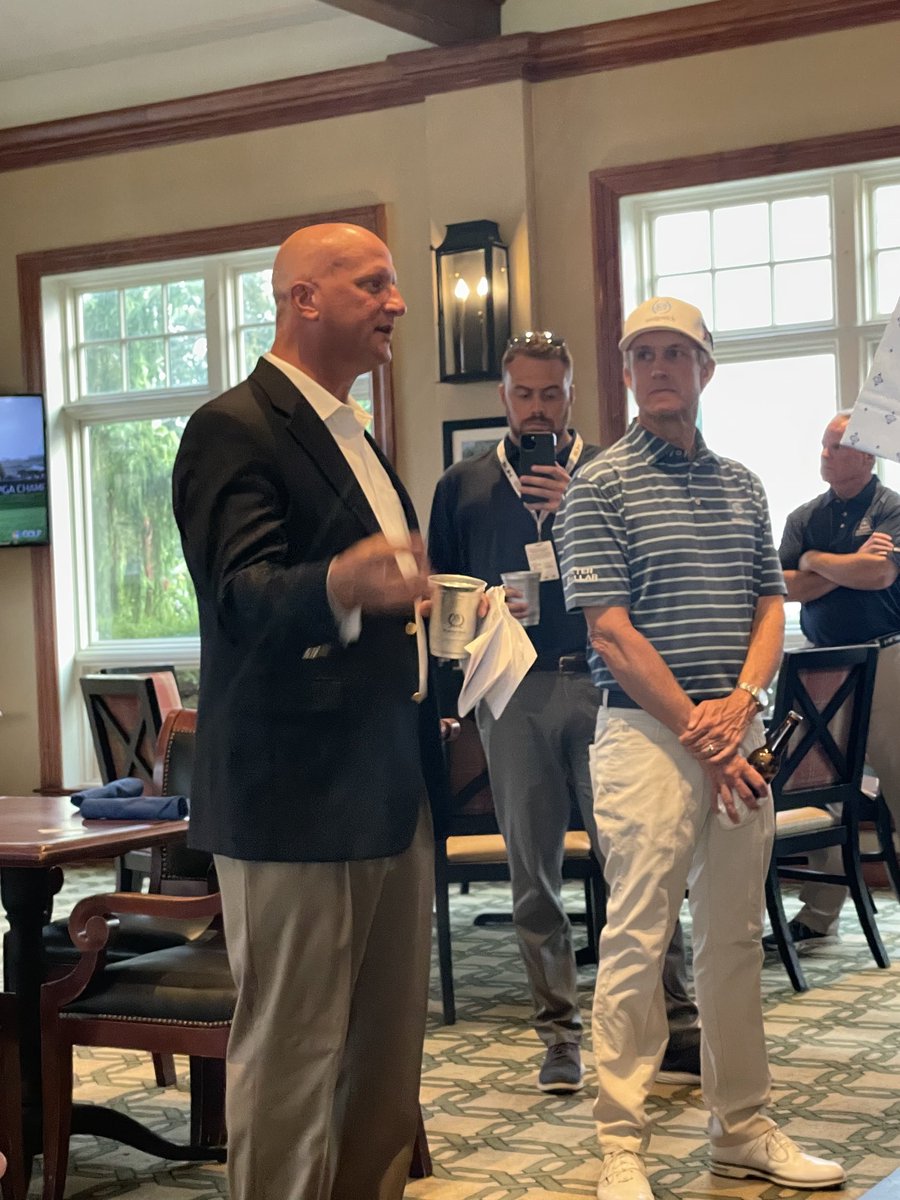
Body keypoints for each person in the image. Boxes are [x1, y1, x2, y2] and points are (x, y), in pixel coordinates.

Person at [172, 223, 446, 1200]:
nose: (399, 305)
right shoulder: (232, 428)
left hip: (388, 786)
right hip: (295, 802)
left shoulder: (355, 435)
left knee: (382, 1065)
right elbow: (239, 596)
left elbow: (376, 598)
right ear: (306, 299)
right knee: (293, 1062)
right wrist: (342, 579)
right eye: (375, 284)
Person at [555, 296, 845, 1199]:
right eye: (643, 355)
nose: (660, 368)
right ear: (629, 374)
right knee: (638, 939)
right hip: (647, 739)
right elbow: (610, 633)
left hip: (737, 729)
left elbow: (770, 604)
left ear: (706, 369)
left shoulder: (745, 485)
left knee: (733, 936)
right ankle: (621, 1147)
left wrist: (746, 704)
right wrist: (706, 733)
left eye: (678, 353)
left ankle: (743, 1126)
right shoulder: (596, 488)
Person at [428, 330, 700, 1094]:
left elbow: (650, 584)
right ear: (503, 396)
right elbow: (439, 598)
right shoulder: (463, 486)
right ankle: (559, 1036)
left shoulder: (614, 476)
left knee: (641, 862)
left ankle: (677, 1025)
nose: (538, 409)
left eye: (552, 394)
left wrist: (575, 502)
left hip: (611, 686)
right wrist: (478, 607)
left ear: (574, 393)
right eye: (524, 395)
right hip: (513, 692)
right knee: (532, 874)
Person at [767, 409, 900, 946]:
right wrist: (831, 560)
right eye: (822, 445)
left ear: (866, 455)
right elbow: (786, 586)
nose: (824, 454)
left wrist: (818, 566)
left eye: (835, 446)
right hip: (821, 661)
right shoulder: (806, 516)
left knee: (899, 780)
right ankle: (818, 916)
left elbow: (879, 575)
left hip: (886, 659)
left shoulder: (892, 509)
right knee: (809, 783)